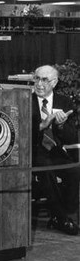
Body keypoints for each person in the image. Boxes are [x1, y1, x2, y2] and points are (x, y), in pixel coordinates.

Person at [31, 65, 80, 235]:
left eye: (44, 80)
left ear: (54, 82)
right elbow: (19, 133)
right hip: (34, 151)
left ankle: (63, 214)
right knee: (46, 169)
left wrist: (59, 126)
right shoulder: (25, 101)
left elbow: (72, 137)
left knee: (74, 170)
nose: (39, 84)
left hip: (56, 150)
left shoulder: (64, 102)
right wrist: (40, 126)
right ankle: (62, 218)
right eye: (37, 78)